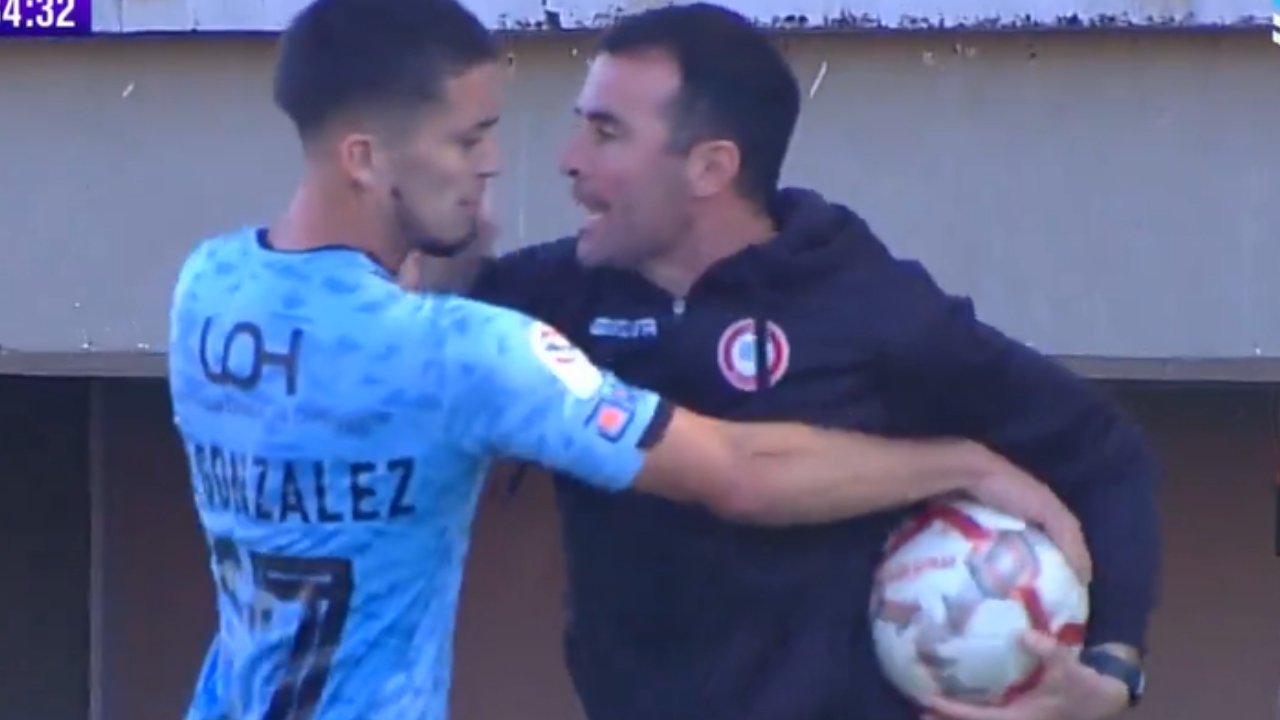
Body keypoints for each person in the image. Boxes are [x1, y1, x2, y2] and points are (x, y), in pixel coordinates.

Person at [165, 1, 1088, 719]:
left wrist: (429, 246)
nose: (494, 165)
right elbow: (737, 472)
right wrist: (964, 463)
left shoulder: (208, 289)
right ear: (366, 158)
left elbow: (355, 369)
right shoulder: (466, 353)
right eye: (467, 139)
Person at [430, 4, 1162, 720]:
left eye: (606, 132)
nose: (568, 159)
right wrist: (440, 245)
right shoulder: (557, 296)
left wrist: (1111, 667)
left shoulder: (868, 306)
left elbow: (1103, 451)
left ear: (711, 166)